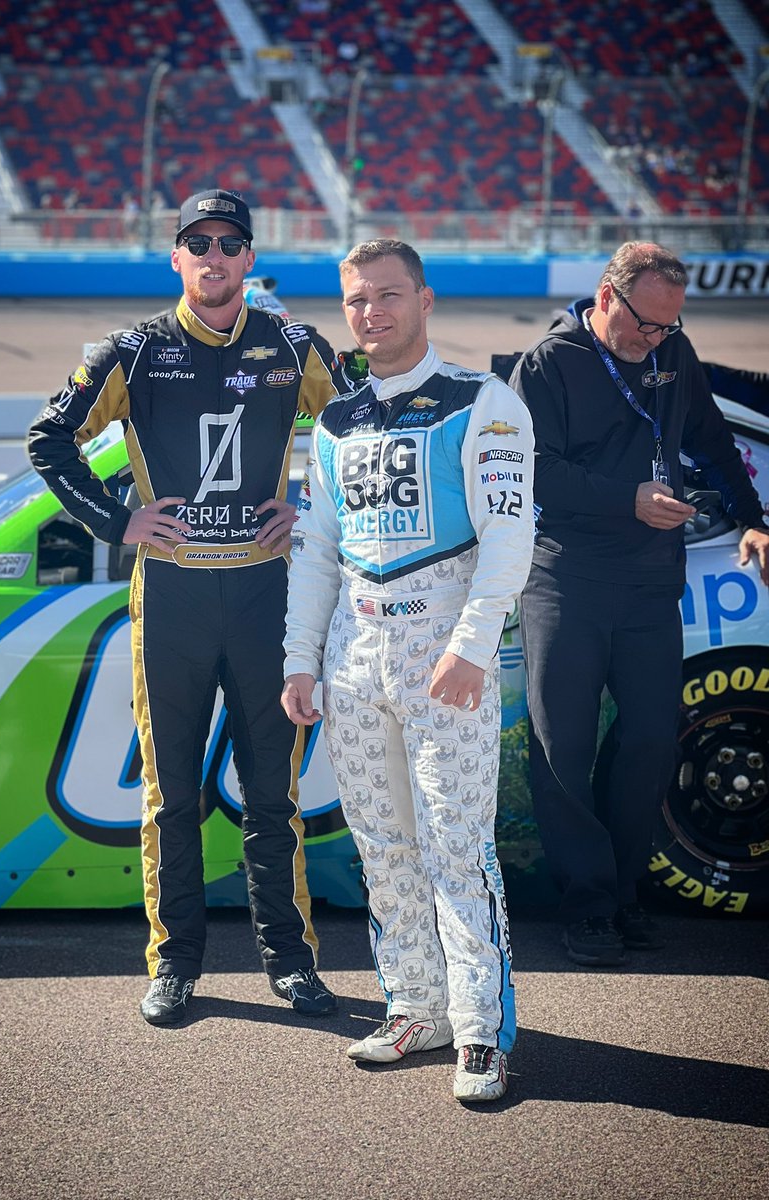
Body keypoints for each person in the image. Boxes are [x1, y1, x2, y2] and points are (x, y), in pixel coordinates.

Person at [29, 188, 348, 1024]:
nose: (214, 256)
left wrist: (316, 512)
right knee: (172, 796)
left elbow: (367, 430)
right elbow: (47, 439)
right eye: (197, 243)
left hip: (265, 599)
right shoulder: (129, 352)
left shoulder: (294, 343)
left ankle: (290, 961)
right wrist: (115, 519)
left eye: (230, 243)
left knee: (272, 797)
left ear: (249, 258)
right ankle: (174, 965)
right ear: (176, 257)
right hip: (169, 597)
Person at [281, 239, 535, 1103]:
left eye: (389, 296)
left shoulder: (484, 402)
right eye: (356, 300)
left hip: (444, 661)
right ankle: (416, 1008)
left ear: (425, 300)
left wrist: (470, 646)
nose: (371, 313)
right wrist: (299, 660)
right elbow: (317, 549)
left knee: (457, 850)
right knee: (383, 849)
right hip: (354, 667)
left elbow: (509, 539)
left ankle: (478, 1032)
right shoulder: (335, 420)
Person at [508, 242, 769, 968]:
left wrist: (754, 518)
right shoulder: (549, 364)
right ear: (605, 295)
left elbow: (713, 439)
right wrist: (625, 498)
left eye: (669, 327)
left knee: (653, 740)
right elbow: (533, 471)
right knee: (564, 747)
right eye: (646, 325)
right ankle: (587, 906)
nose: (656, 339)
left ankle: (623, 894)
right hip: (567, 577)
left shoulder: (673, 352)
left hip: (654, 579)